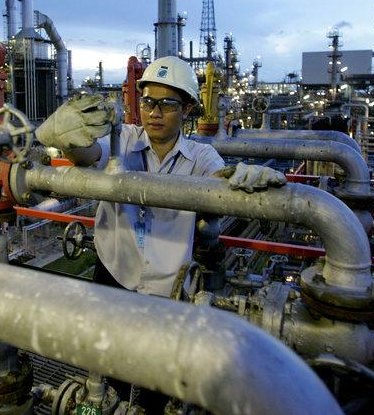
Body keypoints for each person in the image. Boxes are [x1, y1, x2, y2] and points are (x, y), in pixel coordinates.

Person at [35, 56, 287, 298]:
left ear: (187, 109)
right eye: (147, 102)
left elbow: (219, 179)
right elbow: (88, 154)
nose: (154, 113)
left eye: (167, 104)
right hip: (113, 274)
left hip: (169, 287)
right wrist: (66, 138)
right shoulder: (121, 139)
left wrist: (238, 179)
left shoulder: (201, 156)